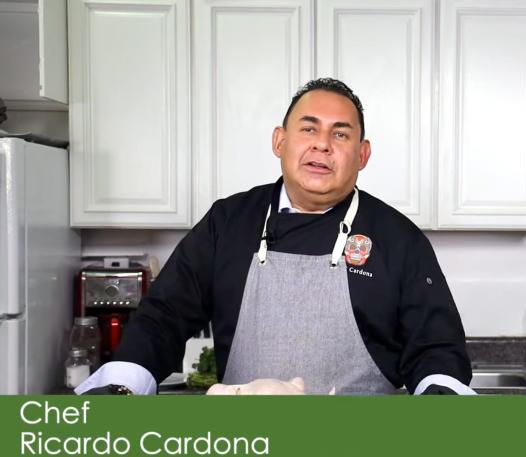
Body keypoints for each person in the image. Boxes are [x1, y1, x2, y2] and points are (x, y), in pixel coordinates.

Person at [75, 78, 475, 396]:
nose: (322, 144)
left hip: (361, 452)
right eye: (309, 129)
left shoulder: (398, 238)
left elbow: (435, 347)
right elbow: (163, 317)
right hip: (245, 448)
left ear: (362, 154)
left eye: (340, 135)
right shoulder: (228, 222)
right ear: (279, 142)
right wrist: (123, 384)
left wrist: (442, 398)